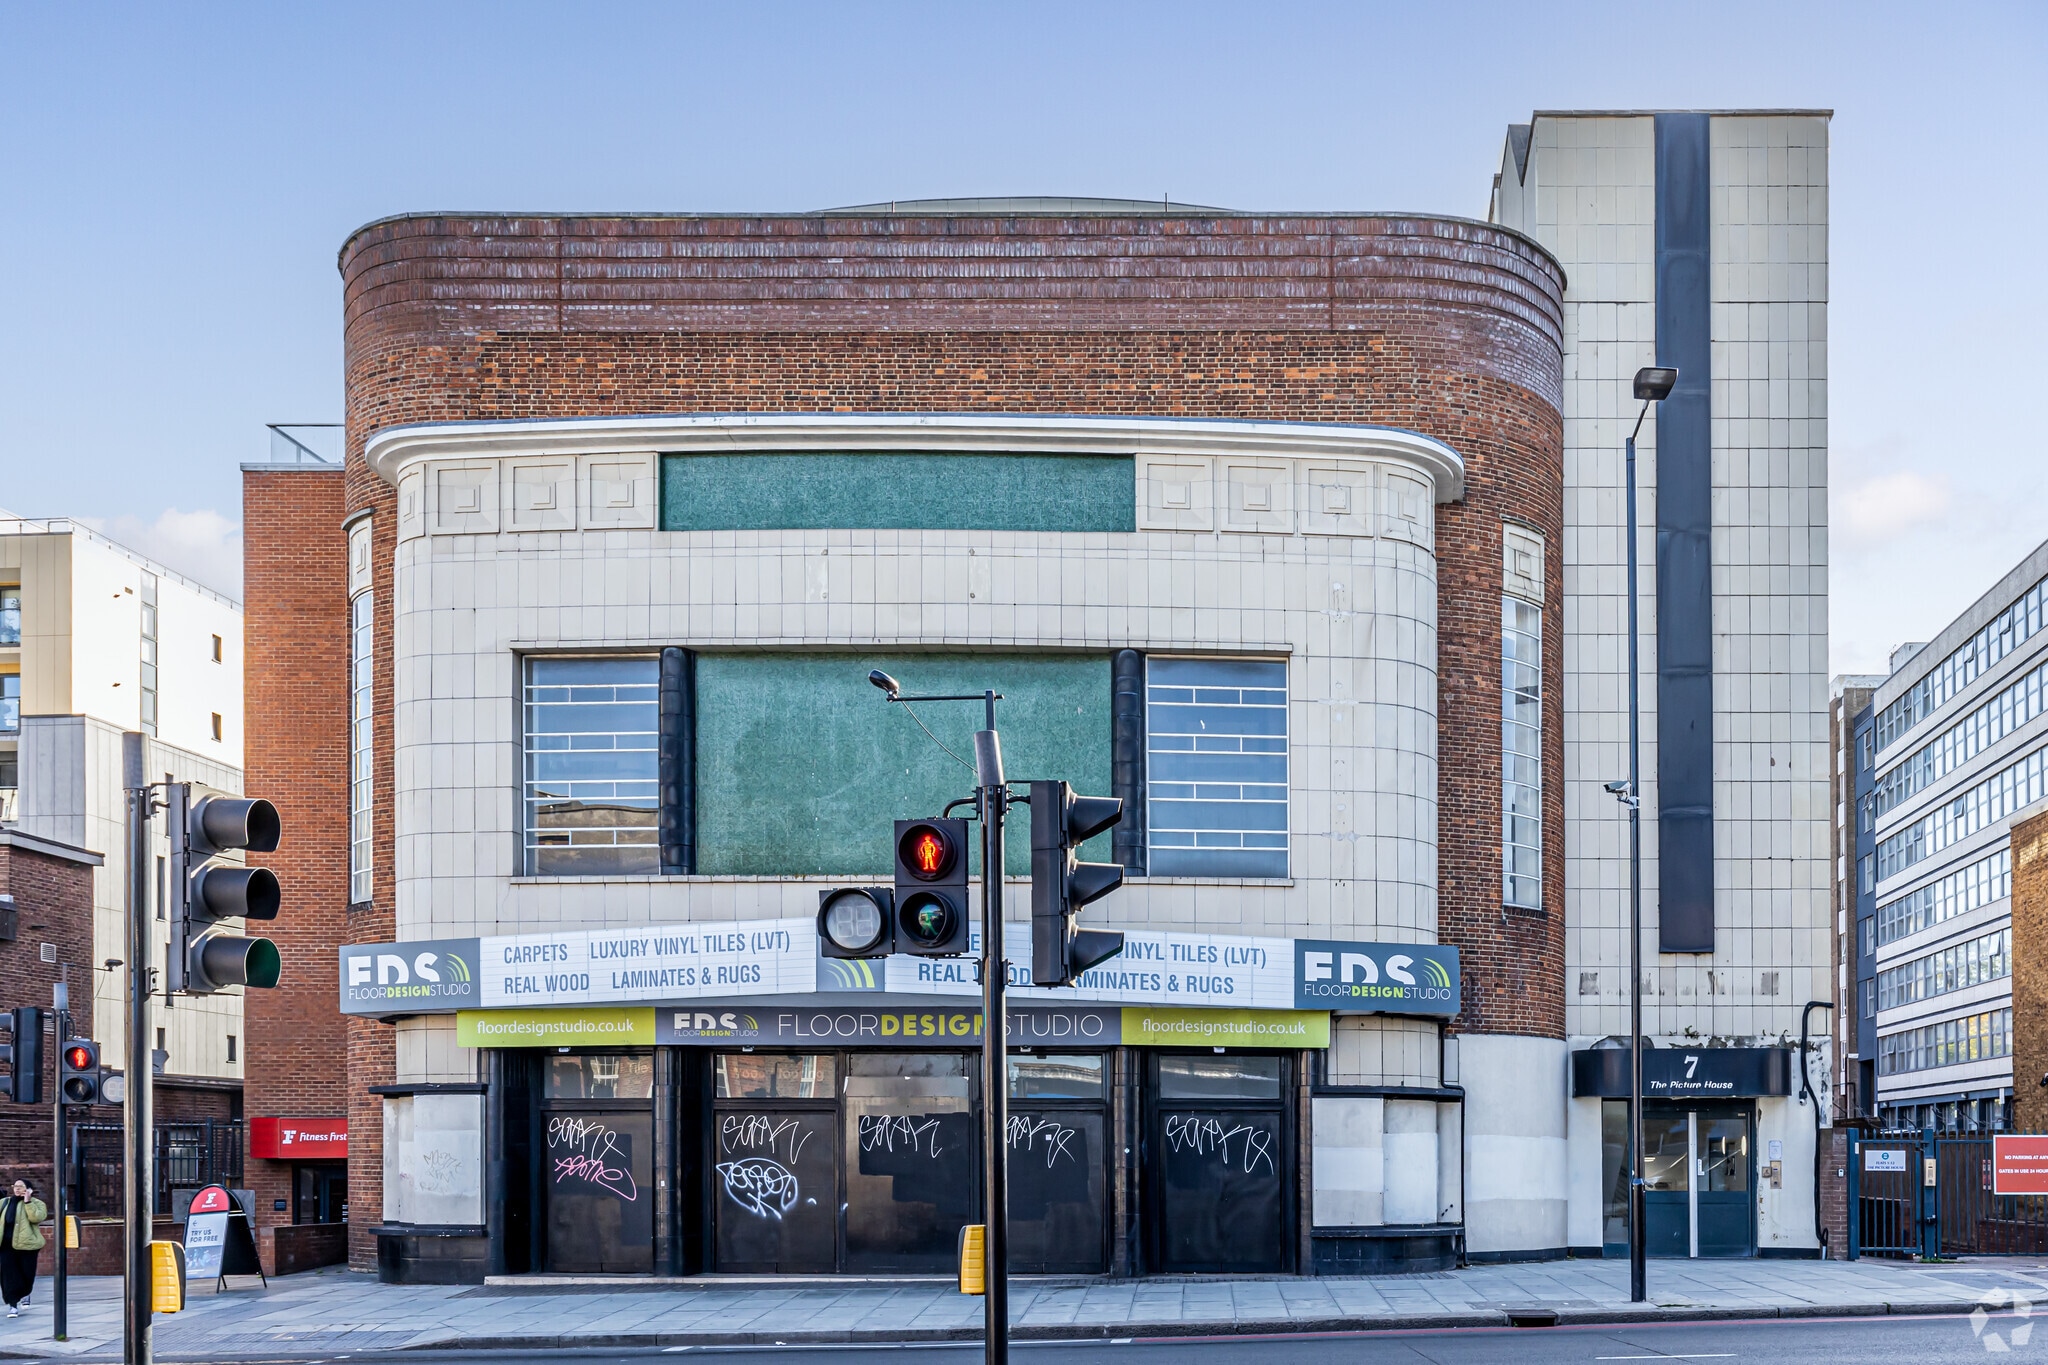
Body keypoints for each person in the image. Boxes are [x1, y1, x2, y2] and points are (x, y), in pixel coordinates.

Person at [0, 1179, 46, 1317]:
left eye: (21, 1186)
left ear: (29, 1189)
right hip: (6, 1246)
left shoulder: (37, 1204)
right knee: (8, 1276)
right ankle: (12, 1305)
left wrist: (28, 1202)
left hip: (27, 1246)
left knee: (27, 1274)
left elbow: (36, 1218)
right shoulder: (4, 1203)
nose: (17, 1189)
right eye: (15, 1186)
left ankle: (25, 1293)